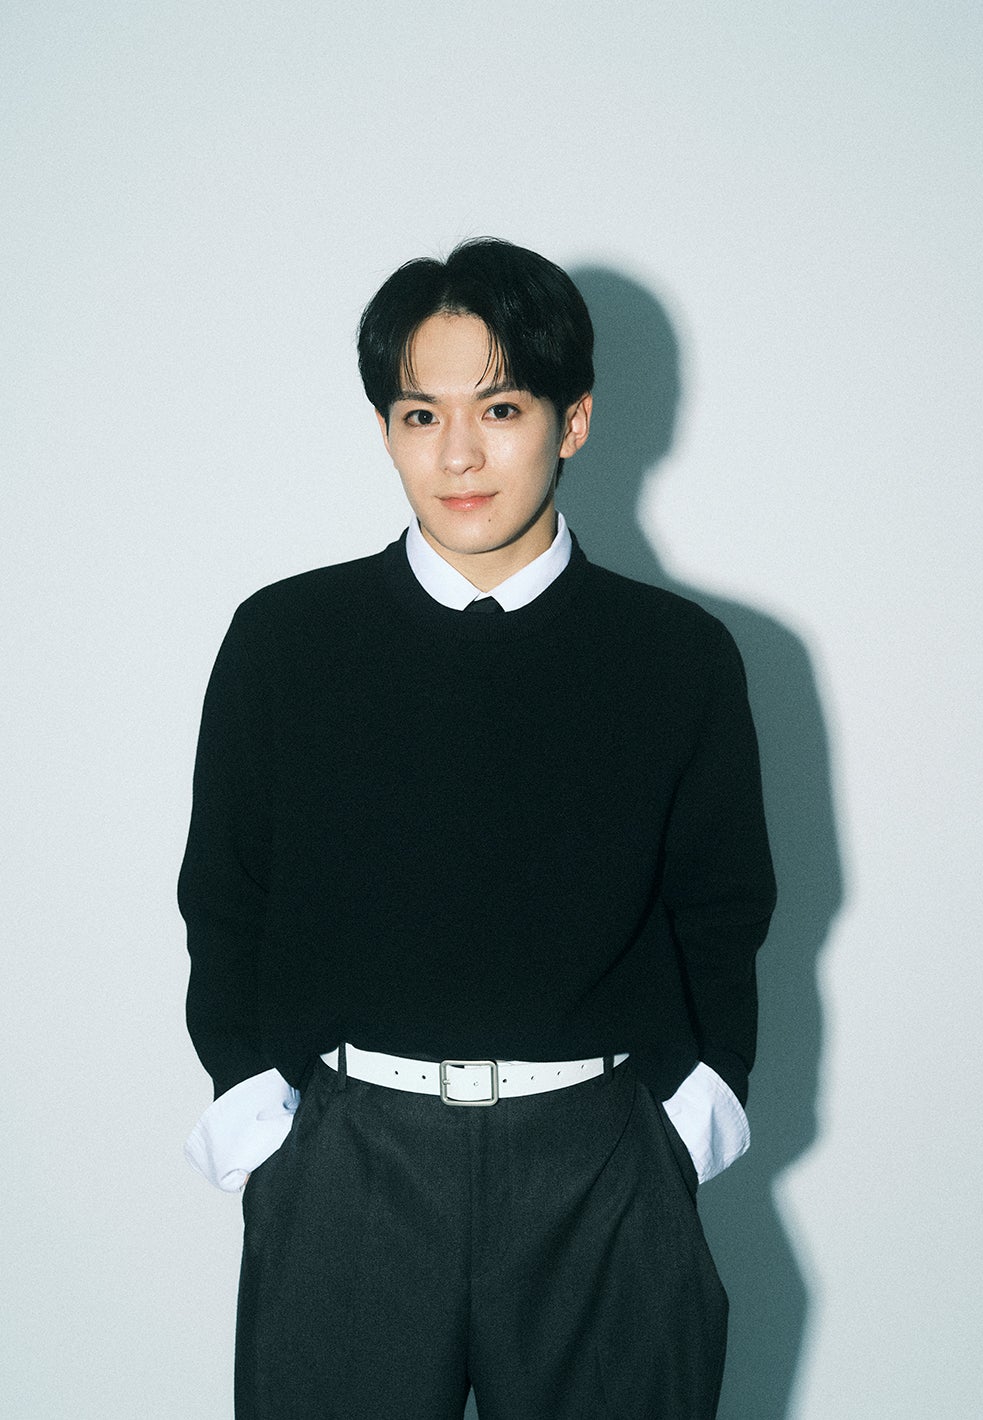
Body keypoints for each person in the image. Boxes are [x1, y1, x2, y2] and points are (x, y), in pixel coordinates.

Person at [178, 237, 776, 1419]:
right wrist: (257, 1118)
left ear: (573, 419)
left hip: (602, 1163)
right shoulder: (288, 642)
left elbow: (724, 906)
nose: (458, 453)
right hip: (348, 1162)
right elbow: (226, 894)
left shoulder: (676, 658)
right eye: (420, 414)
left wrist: (690, 1118)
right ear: (386, 430)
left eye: (500, 408)